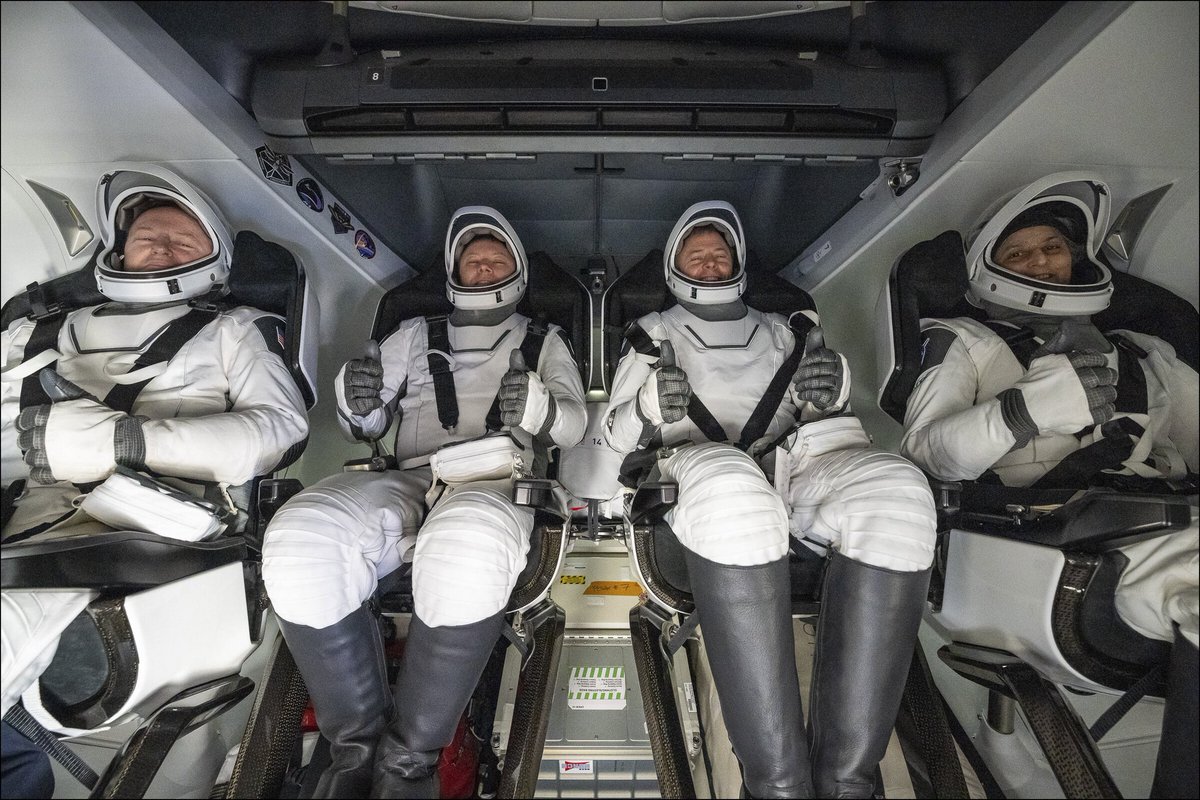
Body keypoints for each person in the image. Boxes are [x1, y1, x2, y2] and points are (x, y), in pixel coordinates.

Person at [603, 201, 937, 799]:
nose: (708, 263)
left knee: (898, 490)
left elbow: (823, 416)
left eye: (718, 252)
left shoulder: (790, 332)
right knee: (735, 486)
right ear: (675, 266)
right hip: (693, 477)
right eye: (695, 254)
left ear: (738, 260)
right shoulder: (651, 337)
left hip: (792, 472)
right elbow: (609, 440)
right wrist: (648, 407)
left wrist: (832, 392)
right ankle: (776, 785)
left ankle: (846, 782)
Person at [0, 166, 310, 793]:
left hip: (146, 541)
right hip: (25, 526)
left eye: (184, 240)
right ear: (117, 251)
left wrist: (127, 441)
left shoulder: (236, 329)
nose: (164, 248)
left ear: (216, 261)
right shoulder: (34, 334)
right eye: (149, 236)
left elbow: (280, 430)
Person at [261, 206, 587, 798]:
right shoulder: (412, 335)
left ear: (516, 271)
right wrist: (358, 402)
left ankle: (409, 767)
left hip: (497, 479)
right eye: (473, 258)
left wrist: (536, 406)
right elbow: (366, 420)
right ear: (453, 269)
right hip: (412, 476)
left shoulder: (545, 341)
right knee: (302, 534)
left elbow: (571, 426)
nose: (484, 267)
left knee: (464, 542)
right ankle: (353, 752)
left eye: (496, 259)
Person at [900, 172, 1198, 798]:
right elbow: (927, 452)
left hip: (1161, 523)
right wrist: (1019, 413)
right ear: (989, 269)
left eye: (1053, 247)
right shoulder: (965, 343)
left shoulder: (1144, 353)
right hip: (1053, 547)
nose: (1042, 261)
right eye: (1019, 252)